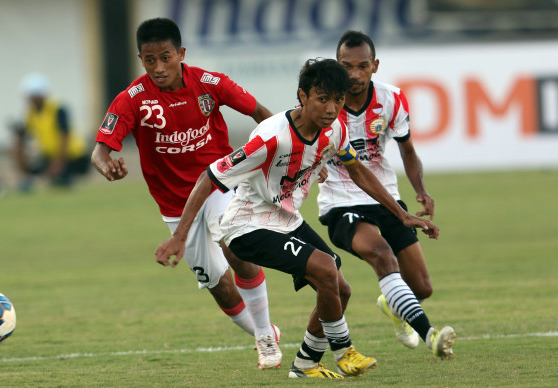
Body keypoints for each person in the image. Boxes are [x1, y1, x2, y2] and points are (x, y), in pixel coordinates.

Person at [156, 58, 451, 379]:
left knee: (340, 288)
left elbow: (358, 171)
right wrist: (180, 236)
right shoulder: (271, 137)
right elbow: (209, 177)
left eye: (337, 101)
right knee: (325, 269)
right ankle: (344, 352)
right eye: (322, 99)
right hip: (247, 226)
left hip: (286, 220)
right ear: (303, 96)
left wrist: (402, 214)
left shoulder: (334, 131)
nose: (330, 108)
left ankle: (306, 363)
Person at [92, 18, 282, 369]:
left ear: (181, 53)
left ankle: (265, 339)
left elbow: (264, 117)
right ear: (141, 59)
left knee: (235, 243)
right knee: (219, 286)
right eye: (150, 60)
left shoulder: (211, 84)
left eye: (166, 57)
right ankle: (264, 329)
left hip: (219, 184)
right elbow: (99, 151)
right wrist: (106, 166)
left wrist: (287, 153)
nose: (159, 67)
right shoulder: (132, 99)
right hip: (175, 206)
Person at [316, 30, 456, 357]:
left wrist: (421, 190)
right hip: (341, 201)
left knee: (421, 286)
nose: (353, 74)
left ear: (374, 65)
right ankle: (431, 336)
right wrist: (314, 165)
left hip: (386, 198)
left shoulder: (391, 99)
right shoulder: (322, 102)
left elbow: (407, 150)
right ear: (336, 65)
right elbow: (302, 142)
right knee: (382, 254)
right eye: (346, 66)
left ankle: (394, 304)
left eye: (362, 66)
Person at [12, 72, 90, 191]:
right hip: (49, 157)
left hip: (73, 156)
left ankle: (62, 177)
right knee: (24, 154)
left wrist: (58, 164)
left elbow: (65, 137)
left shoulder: (58, 109)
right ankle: (27, 178)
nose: (29, 99)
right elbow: (23, 134)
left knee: (62, 181)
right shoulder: (30, 113)